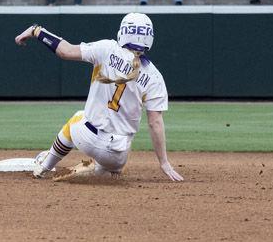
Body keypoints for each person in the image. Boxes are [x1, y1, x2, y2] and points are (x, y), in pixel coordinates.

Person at [14, 13, 184, 183]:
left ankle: (44, 166)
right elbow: (155, 123)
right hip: (119, 154)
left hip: (88, 138)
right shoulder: (155, 77)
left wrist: (36, 30)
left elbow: (65, 51)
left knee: (76, 118)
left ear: (123, 32)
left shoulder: (107, 48)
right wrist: (164, 163)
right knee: (111, 169)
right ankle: (97, 169)